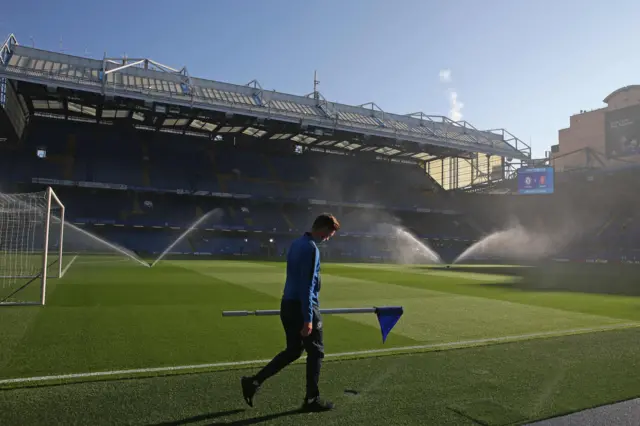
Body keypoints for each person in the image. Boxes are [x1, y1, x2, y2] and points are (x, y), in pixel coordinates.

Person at [241, 213, 341, 412]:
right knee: (316, 352)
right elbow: (306, 286)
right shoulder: (312, 248)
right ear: (322, 229)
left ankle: (254, 382)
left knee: (294, 350)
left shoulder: (296, 244)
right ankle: (312, 399)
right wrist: (308, 318)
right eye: (330, 233)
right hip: (302, 306)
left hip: (287, 304)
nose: (329, 237)